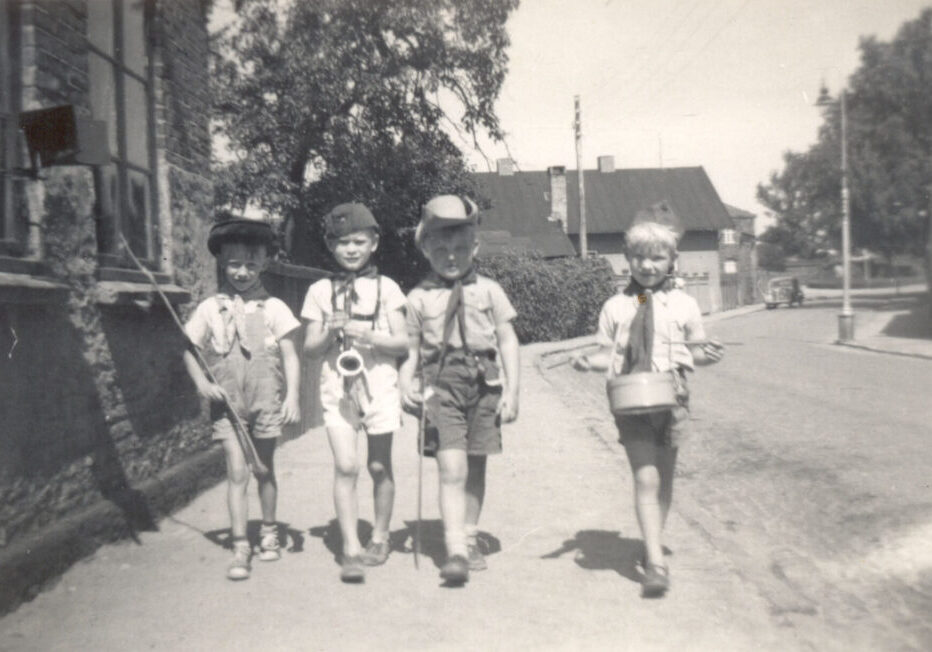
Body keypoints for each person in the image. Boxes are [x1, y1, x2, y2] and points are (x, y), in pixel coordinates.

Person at [572, 220, 724, 597]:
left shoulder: (685, 304)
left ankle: (651, 540)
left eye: (657, 258)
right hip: (630, 402)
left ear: (672, 260)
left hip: (673, 398)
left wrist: (710, 354)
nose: (648, 266)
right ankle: (655, 561)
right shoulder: (620, 305)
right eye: (640, 257)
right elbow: (606, 354)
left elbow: (698, 353)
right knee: (647, 478)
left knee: (665, 482)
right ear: (628, 259)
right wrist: (585, 361)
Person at [400, 195, 520, 585]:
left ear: (475, 248)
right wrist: (405, 383)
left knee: (475, 466)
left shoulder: (490, 291)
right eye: (440, 249)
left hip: (485, 384)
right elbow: (411, 349)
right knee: (452, 468)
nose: (450, 257)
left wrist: (512, 391)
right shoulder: (418, 298)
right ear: (426, 249)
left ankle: (470, 537)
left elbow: (507, 340)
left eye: (459, 248)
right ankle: (454, 551)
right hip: (441, 386)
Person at [183, 217, 301, 581]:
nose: (243, 271)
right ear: (222, 262)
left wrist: (293, 396)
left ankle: (268, 531)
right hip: (228, 404)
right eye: (235, 263)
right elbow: (187, 348)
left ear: (265, 262)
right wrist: (202, 383)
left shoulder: (275, 308)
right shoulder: (208, 309)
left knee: (263, 469)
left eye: (252, 263)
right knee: (237, 472)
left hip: (264, 399)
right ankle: (240, 545)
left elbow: (291, 355)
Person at [301, 203, 408, 583]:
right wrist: (331, 329)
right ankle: (350, 548)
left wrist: (372, 336)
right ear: (331, 246)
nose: (350, 249)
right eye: (342, 242)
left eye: (358, 241)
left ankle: (380, 536)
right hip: (337, 390)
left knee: (379, 466)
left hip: (380, 385)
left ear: (374, 242)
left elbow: (403, 343)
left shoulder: (388, 287)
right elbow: (310, 350)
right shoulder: (318, 290)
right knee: (346, 466)